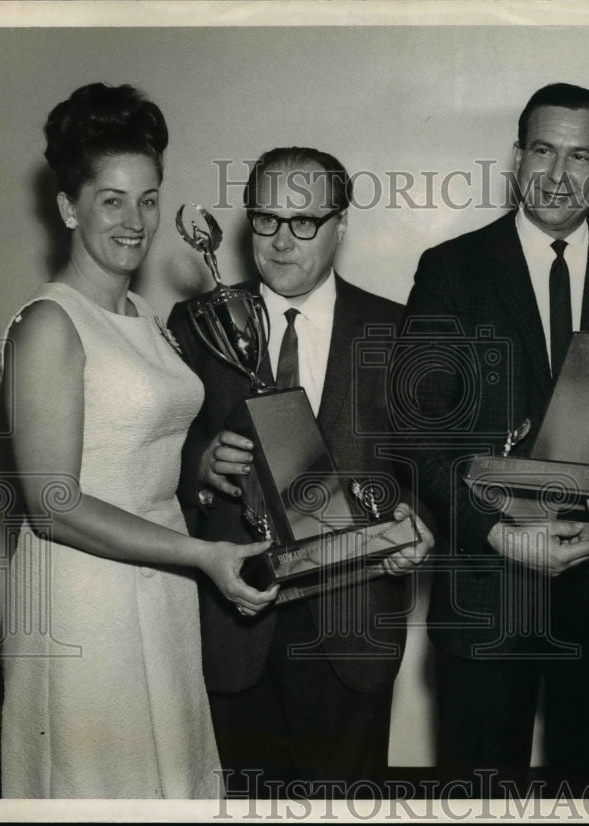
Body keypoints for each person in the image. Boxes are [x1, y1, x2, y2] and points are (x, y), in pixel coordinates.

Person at [398, 82, 589, 791]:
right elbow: (416, 435)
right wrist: (498, 533)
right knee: (476, 792)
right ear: (516, 157)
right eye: (543, 150)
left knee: (582, 786)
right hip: (486, 582)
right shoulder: (451, 270)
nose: (559, 174)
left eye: (581, 156)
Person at [1, 83, 277, 799]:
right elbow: (53, 505)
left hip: (161, 586)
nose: (136, 220)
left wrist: (204, 475)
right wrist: (199, 554)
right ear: (69, 207)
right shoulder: (49, 326)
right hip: (86, 597)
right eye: (112, 199)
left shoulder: (146, 316)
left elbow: (146, 454)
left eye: (149, 198)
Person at [168, 146, 433, 793]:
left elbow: (427, 472)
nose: (282, 241)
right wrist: (200, 466)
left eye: (304, 221)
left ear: (341, 224)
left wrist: (417, 528)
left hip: (353, 627)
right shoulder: (196, 324)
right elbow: (155, 460)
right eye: (266, 219)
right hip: (238, 622)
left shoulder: (396, 330)